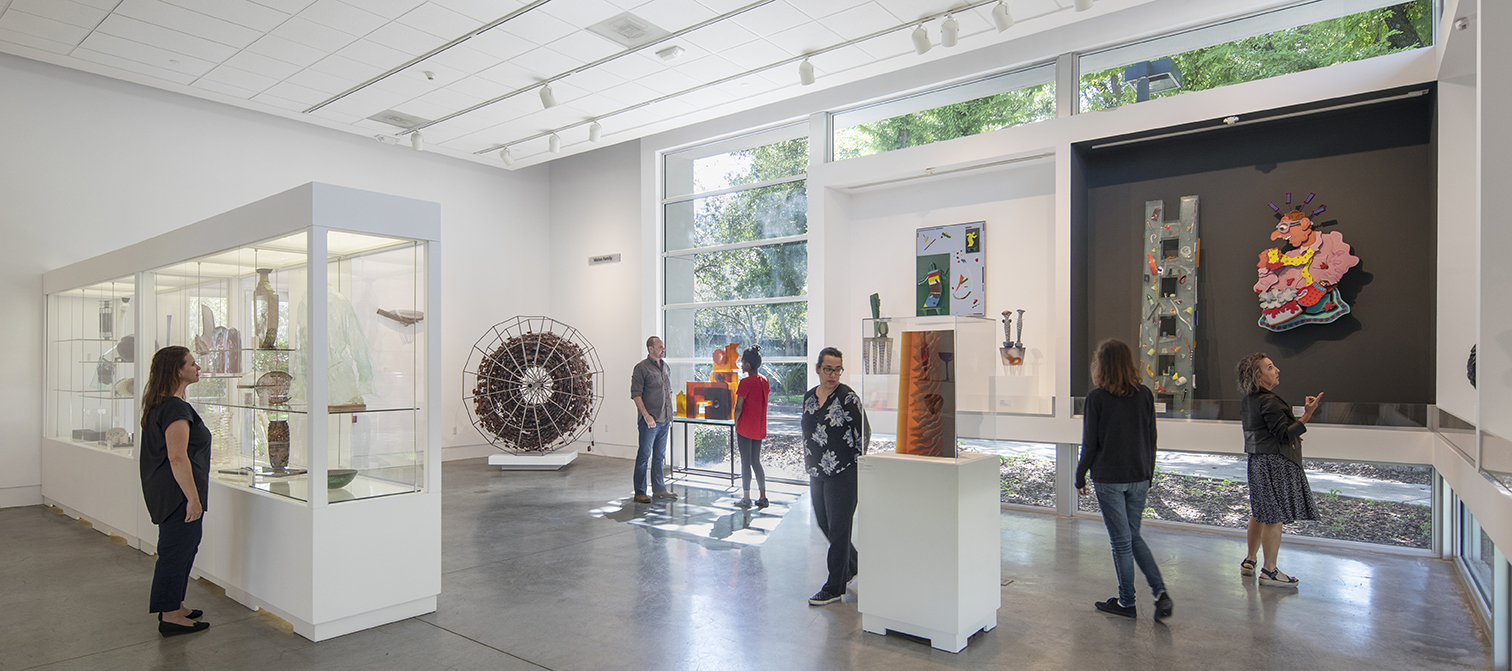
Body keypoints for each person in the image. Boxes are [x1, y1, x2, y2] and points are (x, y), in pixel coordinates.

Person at [1075, 339, 1174, 621]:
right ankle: (1160, 592)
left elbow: (1090, 443)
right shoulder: (1144, 394)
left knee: (1122, 542)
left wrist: (1080, 474)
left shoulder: (1096, 398)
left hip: (1109, 477)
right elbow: (1151, 438)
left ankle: (1127, 602)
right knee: (1132, 536)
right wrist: (1149, 472)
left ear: (1101, 364)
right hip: (1139, 475)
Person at [138, 346, 212, 637]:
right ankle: (170, 616)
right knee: (175, 552)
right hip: (177, 494)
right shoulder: (175, 408)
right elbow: (177, 457)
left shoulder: (163, 404)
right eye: (192, 364)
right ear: (177, 371)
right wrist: (192, 499)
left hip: (169, 491)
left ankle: (175, 605)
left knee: (182, 550)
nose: (198, 369)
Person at [1237, 352, 1322, 587]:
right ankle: (1269, 570)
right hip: (1275, 463)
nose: (1277, 370)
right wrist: (1307, 414)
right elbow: (1284, 434)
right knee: (1273, 517)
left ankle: (1250, 560)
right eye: (1270, 367)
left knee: (1260, 511)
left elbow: (1267, 431)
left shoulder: (1249, 401)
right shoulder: (1270, 401)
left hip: (1258, 461)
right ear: (1258, 376)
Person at [802, 347, 865, 606]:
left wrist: (858, 463)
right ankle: (852, 565)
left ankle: (834, 587)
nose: (833, 375)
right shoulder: (808, 397)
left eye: (837, 369)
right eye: (828, 369)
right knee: (824, 523)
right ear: (817, 368)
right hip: (817, 472)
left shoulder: (848, 398)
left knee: (839, 529)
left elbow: (863, 432)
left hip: (844, 473)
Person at [630, 336, 677, 504]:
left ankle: (659, 489)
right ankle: (640, 492)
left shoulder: (666, 367)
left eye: (663, 347)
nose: (663, 349)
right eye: (660, 347)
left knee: (659, 456)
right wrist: (646, 415)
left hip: (665, 420)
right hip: (650, 421)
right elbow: (636, 394)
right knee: (644, 455)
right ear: (650, 349)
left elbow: (669, 390)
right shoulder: (641, 368)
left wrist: (670, 412)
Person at [732, 345, 769, 509]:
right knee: (756, 461)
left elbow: (739, 407)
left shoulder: (745, 382)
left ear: (747, 365)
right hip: (759, 428)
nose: (740, 364)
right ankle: (763, 496)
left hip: (745, 428)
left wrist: (735, 421)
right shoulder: (764, 381)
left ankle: (746, 497)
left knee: (745, 462)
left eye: (742, 361)